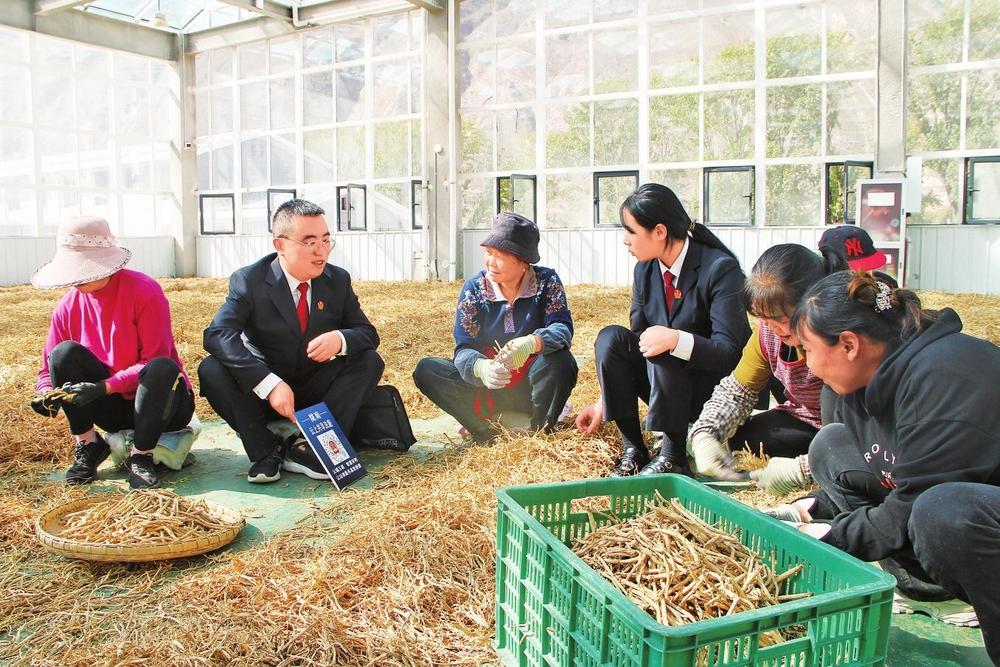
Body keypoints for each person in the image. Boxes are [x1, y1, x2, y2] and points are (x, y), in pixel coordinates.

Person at [766, 272, 1000, 658]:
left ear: (849, 344)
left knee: (942, 514)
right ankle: (923, 586)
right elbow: (897, 473)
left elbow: (911, 505)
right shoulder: (861, 383)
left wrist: (825, 538)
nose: (808, 365)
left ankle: (960, 593)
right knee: (831, 447)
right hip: (944, 495)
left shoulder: (943, 379)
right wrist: (812, 510)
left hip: (972, 510)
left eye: (807, 349)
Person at [198, 199, 384, 483]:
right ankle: (266, 450)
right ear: (280, 245)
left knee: (369, 360)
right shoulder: (250, 280)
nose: (321, 251)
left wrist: (340, 339)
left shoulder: (337, 279)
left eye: (326, 240)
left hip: (317, 390)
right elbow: (217, 335)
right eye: (310, 242)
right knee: (211, 369)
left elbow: (368, 333)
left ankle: (308, 446)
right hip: (265, 394)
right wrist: (268, 383)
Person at [575, 183, 751, 476]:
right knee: (612, 339)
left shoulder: (720, 269)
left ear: (659, 231)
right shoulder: (645, 270)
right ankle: (633, 449)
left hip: (708, 392)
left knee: (662, 343)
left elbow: (730, 352)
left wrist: (677, 340)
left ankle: (673, 455)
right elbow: (637, 341)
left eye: (631, 231)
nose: (625, 240)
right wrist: (605, 398)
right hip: (663, 387)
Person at [30, 216, 194, 489]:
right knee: (63, 354)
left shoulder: (145, 291)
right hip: (111, 408)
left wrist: (103, 387)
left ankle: (142, 455)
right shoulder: (66, 307)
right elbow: (49, 367)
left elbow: (154, 359)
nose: (75, 278)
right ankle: (89, 444)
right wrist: (46, 393)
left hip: (162, 405)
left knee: (162, 367)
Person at [752, 227, 895, 493]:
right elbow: (740, 385)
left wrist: (806, 469)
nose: (860, 279)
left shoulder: (870, 320)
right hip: (815, 422)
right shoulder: (785, 329)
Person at [413, 212, 577, 442]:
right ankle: (485, 431)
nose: (491, 262)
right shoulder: (474, 289)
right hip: (488, 387)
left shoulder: (546, 282)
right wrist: (481, 367)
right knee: (427, 370)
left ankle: (540, 430)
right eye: (489, 253)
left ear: (523, 262)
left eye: (500, 256)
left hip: (531, 388)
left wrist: (533, 342)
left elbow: (562, 329)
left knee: (562, 360)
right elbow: (464, 348)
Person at [688, 244, 826, 480]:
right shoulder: (768, 334)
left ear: (812, 302)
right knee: (744, 439)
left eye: (780, 318)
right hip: (807, 419)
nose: (773, 327)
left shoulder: (835, 336)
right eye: (763, 317)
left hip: (846, 425)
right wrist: (705, 434)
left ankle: (821, 464)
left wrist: (801, 470)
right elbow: (736, 392)